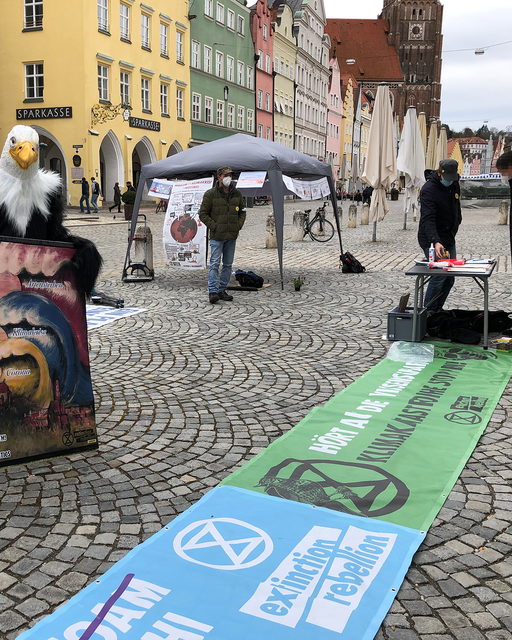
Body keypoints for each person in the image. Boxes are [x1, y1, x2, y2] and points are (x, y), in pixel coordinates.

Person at [418, 158, 462, 313]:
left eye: (452, 178)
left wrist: (458, 220)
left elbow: (456, 206)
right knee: (439, 275)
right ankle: (429, 313)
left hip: (448, 237)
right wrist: (435, 241)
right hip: (431, 239)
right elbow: (428, 219)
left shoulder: (454, 183)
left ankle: (438, 310)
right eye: (447, 178)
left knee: (449, 277)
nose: (449, 181)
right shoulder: (428, 190)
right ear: (439, 173)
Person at [198, 166, 246, 304]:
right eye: (225, 175)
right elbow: (203, 214)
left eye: (230, 175)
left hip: (231, 235)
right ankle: (213, 291)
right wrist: (215, 226)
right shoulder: (210, 194)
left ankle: (222, 289)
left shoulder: (237, 193)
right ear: (219, 177)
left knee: (228, 265)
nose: (228, 178)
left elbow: (242, 211)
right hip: (217, 236)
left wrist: (238, 225)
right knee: (214, 263)